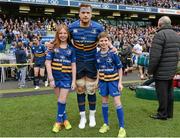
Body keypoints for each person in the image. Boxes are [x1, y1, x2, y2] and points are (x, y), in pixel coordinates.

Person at [45, 24, 76, 133]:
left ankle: (58, 122)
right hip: (55, 78)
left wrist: (73, 80)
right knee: (60, 101)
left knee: (62, 100)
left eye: (65, 33)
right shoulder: (53, 47)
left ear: (68, 35)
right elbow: (47, 62)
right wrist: (51, 78)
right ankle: (65, 119)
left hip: (66, 79)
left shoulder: (72, 49)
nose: (63, 35)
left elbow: (73, 65)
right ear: (57, 34)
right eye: (60, 33)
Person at [148, 16, 180, 120]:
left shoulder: (160, 35)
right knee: (169, 93)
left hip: (161, 70)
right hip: (171, 69)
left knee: (162, 94)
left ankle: (162, 114)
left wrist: (150, 70)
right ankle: (169, 113)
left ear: (160, 24)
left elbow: (155, 56)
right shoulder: (176, 35)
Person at [96, 32, 126, 138]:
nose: (104, 42)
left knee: (117, 103)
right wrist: (97, 82)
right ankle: (106, 124)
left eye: (105, 40)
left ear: (109, 41)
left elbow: (119, 68)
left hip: (113, 82)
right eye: (101, 41)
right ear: (98, 42)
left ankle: (122, 128)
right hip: (103, 82)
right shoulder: (97, 54)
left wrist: (120, 82)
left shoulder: (113, 53)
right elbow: (99, 69)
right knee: (104, 102)